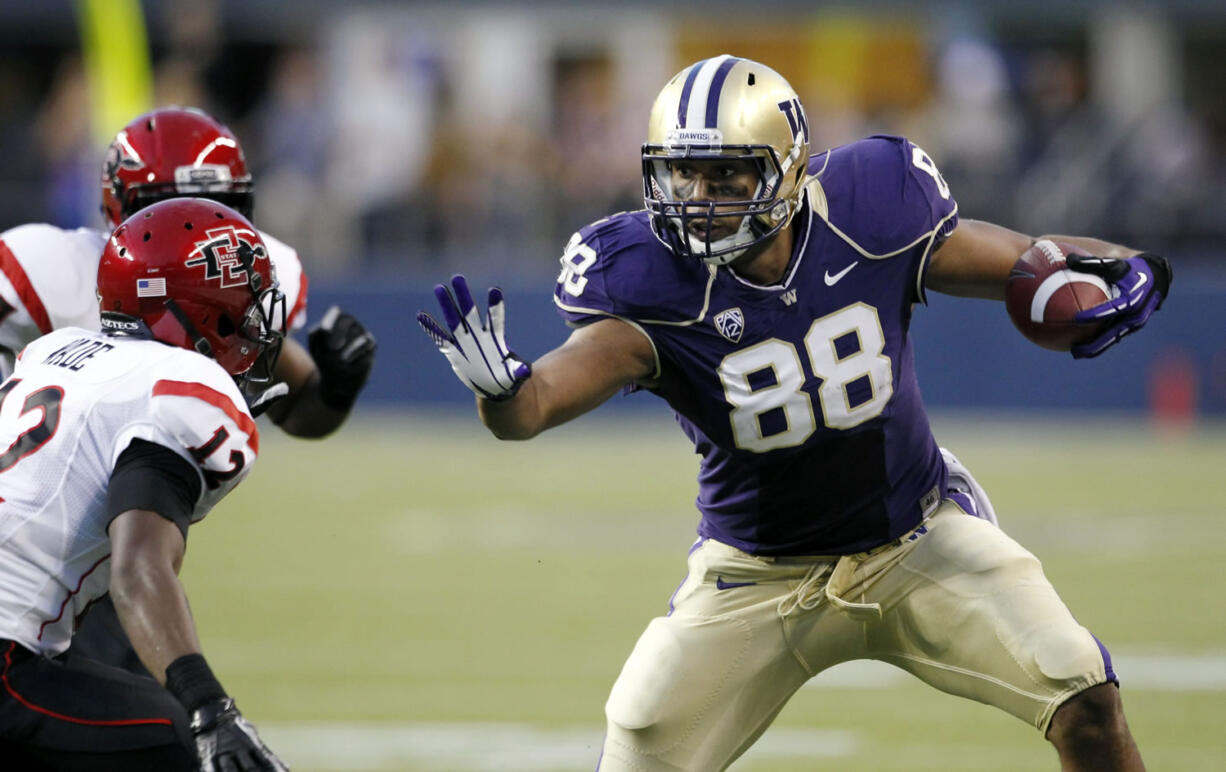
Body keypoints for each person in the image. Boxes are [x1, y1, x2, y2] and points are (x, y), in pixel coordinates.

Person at [418, 56, 1170, 771]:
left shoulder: (871, 207)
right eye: (683, 170)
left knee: (1082, 693)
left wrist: (1133, 267)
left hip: (916, 538)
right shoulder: (646, 280)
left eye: (725, 173)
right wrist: (503, 393)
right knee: (638, 738)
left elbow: (1026, 264)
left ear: (786, 169)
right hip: (756, 577)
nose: (698, 197)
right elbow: (535, 407)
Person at [0, 106, 377, 674]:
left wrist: (335, 391)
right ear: (120, 208)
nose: (198, 220)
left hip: (111, 518)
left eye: (225, 205)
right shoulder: (50, 267)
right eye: (163, 206)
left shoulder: (235, 269)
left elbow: (297, 406)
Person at [0, 198, 288, 771]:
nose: (257, 326)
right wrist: (210, 709)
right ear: (210, 310)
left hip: (24, 651)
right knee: (191, 742)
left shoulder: (52, 352)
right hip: (8, 657)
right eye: (246, 308)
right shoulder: (187, 386)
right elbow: (139, 570)